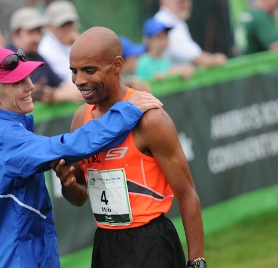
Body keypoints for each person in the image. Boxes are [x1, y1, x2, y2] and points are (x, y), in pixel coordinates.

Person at [0, 47, 162, 267]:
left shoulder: (0, 129)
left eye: (27, 77)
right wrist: (127, 111)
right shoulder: (2, 136)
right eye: (17, 82)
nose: (31, 85)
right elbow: (67, 147)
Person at [51, 27, 206, 268]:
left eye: (89, 70)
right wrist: (68, 184)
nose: (79, 80)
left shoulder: (151, 119)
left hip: (151, 242)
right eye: (74, 71)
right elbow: (79, 196)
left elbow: (187, 195)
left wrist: (197, 262)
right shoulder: (81, 118)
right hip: (106, 241)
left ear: (117, 65)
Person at [8, 6, 83, 103]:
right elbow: (29, 92)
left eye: (38, 32)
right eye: (30, 32)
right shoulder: (8, 59)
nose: (36, 38)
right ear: (15, 34)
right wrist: (61, 95)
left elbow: (60, 82)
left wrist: (76, 91)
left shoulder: (37, 56)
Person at [155, 0, 226, 67]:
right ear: (164, 2)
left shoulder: (177, 21)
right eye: (179, 2)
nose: (185, 4)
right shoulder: (164, 23)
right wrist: (214, 60)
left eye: (186, 1)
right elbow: (196, 58)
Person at [135, 17, 194, 81]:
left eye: (166, 36)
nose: (164, 41)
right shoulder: (143, 62)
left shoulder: (165, 60)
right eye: (159, 37)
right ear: (148, 40)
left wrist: (182, 70)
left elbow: (168, 73)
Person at [38, 0, 80, 83]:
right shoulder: (45, 49)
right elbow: (70, 78)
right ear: (50, 26)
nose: (67, 29)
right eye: (62, 25)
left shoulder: (74, 42)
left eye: (70, 24)